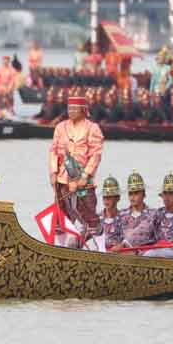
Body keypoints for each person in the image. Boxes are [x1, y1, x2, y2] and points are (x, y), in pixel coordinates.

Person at [49, 95, 104, 247]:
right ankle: (59, 250)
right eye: (69, 108)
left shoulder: (93, 128)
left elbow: (95, 155)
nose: (71, 111)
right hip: (62, 179)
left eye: (74, 108)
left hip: (83, 180)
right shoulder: (60, 127)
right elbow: (54, 151)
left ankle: (102, 250)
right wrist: (53, 173)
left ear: (83, 110)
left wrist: (85, 177)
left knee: (90, 217)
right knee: (60, 219)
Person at [111, 170, 154, 251]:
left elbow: (145, 231)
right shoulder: (121, 214)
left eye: (136, 193)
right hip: (121, 253)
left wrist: (124, 244)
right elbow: (114, 236)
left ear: (144, 194)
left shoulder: (152, 214)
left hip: (145, 254)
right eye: (130, 193)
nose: (132, 197)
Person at [100, 176, 124, 251]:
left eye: (109, 197)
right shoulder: (95, 219)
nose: (106, 200)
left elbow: (130, 239)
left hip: (118, 256)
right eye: (104, 197)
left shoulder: (124, 218)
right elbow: (82, 236)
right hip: (99, 255)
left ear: (117, 198)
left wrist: (121, 245)